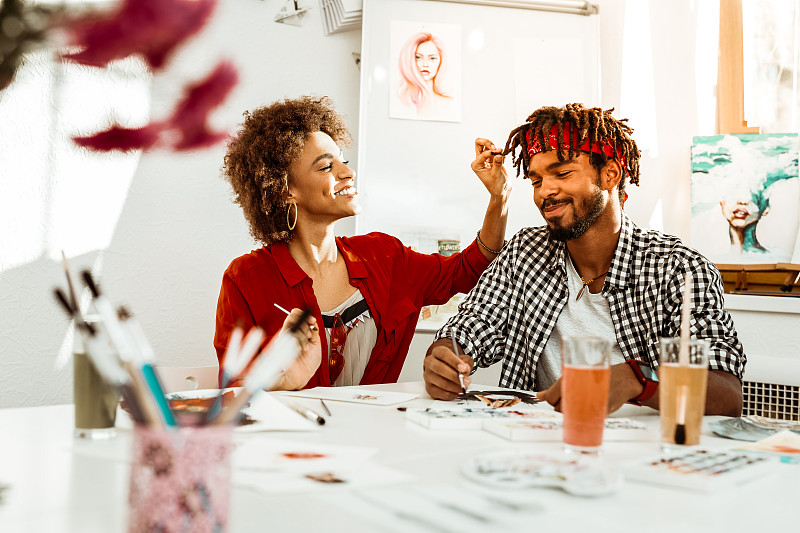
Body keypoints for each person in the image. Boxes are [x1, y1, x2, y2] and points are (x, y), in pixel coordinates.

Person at [423, 103, 746, 416]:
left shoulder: (678, 267)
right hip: (540, 449)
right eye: (536, 181)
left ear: (610, 174)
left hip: (644, 456)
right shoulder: (525, 253)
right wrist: (446, 356)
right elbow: (468, 329)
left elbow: (727, 394)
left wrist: (637, 379)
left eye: (561, 173)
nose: (544, 192)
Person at [215, 95, 510, 390]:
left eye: (342, 161)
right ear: (285, 190)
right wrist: (284, 381)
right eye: (325, 167)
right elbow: (233, 396)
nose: (348, 172)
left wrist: (499, 198)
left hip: (374, 434)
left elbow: (467, 269)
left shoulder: (385, 256)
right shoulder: (246, 280)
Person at [397, 32, 454, 116]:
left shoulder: (447, 104)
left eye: (432, 58)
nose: (425, 64)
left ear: (441, 61)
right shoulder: (402, 100)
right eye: (418, 57)